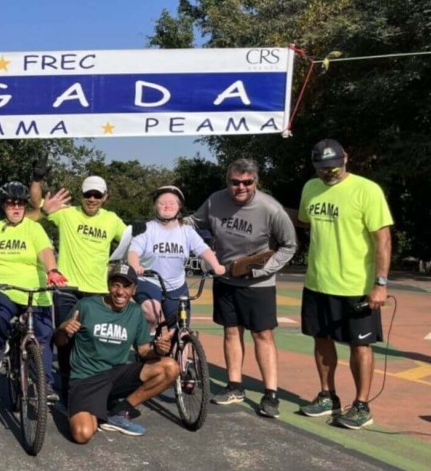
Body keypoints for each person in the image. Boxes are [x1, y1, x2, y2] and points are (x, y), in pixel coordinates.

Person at [189, 159, 298, 418]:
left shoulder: (271, 208)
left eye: (247, 182)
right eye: (235, 182)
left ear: (256, 182)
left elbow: (289, 245)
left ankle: (271, 394)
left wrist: (261, 270)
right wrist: (167, 222)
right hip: (226, 279)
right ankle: (235, 386)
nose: (241, 187)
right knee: (231, 333)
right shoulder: (215, 201)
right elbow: (194, 222)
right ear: (227, 181)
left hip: (258, 284)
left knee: (263, 336)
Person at [297, 139, 393, 429]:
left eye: (334, 167)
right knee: (321, 339)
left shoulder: (367, 190)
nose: (329, 173)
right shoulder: (310, 189)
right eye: (323, 168)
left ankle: (362, 405)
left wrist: (380, 283)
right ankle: (328, 396)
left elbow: (383, 239)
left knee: (359, 346)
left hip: (356, 286)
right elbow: (306, 222)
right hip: (318, 282)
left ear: (346, 159)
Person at [56, 264, 176, 443]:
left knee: (170, 367)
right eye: (116, 285)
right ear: (108, 286)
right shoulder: (87, 306)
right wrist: (63, 329)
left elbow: (143, 351)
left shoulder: (135, 312)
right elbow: (60, 342)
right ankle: (85, 406)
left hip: (116, 376)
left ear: (134, 289)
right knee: (82, 434)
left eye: (126, 286)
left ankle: (119, 411)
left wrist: (158, 350)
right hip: (85, 379)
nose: (120, 292)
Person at [32, 174, 127, 397]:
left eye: (97, 195)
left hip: (97, 291)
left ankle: (96, 385)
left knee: (96, 340)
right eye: (87, 194)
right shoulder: (66, 213)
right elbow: (35, 203)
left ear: (105, 197)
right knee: (65, 337)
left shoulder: (112, 220)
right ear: (81, 195)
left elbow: (131, 240)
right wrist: (37, 179)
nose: (92, 199)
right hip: (67, 288)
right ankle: (66, 383)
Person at [0, 182, 68, 401]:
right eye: (11, 204)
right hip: (3, 288)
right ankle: (0, 345)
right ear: (3, 206)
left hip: (35, 291)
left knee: (43, 338)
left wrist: (52, 271)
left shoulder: (34, 228)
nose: (16, 208)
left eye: (20, 204)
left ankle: (43, 384)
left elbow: (45, 251)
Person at [127, 185, 226, 329]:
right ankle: (146, 345)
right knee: (151, 312)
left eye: (172, 203)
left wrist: (216, 265)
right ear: (155, 207)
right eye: (162, 203)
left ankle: (183, 349)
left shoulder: (186, 231)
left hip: (176, 285)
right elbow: (133, 251)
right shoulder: (147, 228)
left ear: (179, 207)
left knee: (181, 326)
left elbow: (203, 249)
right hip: (149, 280)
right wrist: (135, 265)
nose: (167, 206)